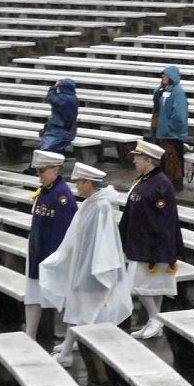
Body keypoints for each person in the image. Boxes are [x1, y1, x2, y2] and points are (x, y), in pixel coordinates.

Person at [40, 163, 132, 367]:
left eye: (79, 182)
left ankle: (67, 352)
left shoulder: (100, 207)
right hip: (83, 265)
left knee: (87, 311)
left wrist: (94, 270)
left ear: (89, 183)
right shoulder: (90, 203)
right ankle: (70, 345)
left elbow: (104, 243)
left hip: (94, 269)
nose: (76, 186)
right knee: (79, 308)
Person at [119, 140, 184, 339]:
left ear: (148, 160)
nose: (134, 162)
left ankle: (155, 319)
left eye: (137, 158)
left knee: (140, 285)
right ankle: (154, 321)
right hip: (140, 242)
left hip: (152, 244)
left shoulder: (161, 184)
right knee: (151, 285)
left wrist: (156, 244)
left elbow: (162, 219)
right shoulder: (144, 180)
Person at [24, 151, 77, 342]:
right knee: (33, 295)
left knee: (66, 298)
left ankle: (72, 340)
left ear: (55, 170)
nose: (40, 175)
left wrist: (55, 259)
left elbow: (64, 232)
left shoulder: (62, 196)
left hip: (53, 256)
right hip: (38, 253)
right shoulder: (45, 191)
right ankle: (30, 334)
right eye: (38, 171)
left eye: (43, 171)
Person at [150, 65, 189, 191]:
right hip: (162, 132)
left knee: (174, 160)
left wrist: (169, 127)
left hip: (172, 134)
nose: (163, 77)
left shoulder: (177, 92)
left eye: (166, 75)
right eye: (162, 75)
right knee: (164, 160)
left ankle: (175, 184)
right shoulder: (163, 91)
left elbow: (179, 115)